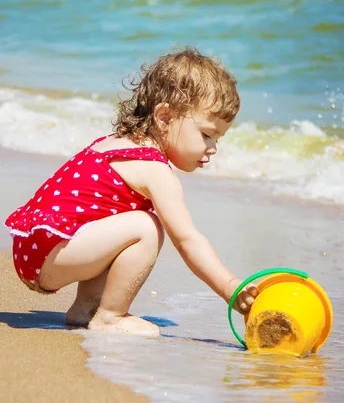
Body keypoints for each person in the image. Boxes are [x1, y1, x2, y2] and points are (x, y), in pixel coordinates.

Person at [5, 47, 258, 335]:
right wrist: (228, 287)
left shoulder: (117, 143)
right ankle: (110, 316)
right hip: (51, 255)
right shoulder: (155, 171)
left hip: (35, 249)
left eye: (218, 138)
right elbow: (187, 241)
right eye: (206, 134)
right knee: (147, 226)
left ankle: (85, 309)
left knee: (125, 217)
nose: (213, 148)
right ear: (164, 117)